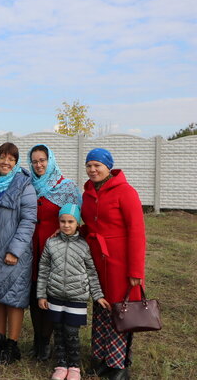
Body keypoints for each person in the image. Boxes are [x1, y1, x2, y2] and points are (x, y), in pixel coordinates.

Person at [81, 148, 146, 380]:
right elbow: (89, 225)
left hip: (120, 263)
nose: (92, 169)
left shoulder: (126, 192)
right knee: (101, 309)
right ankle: (100, 358)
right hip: (97, 261)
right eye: (89, 165)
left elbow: (137, 231)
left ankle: (119, 364)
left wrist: (135, 270)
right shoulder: (87, 193)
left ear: (109, 167)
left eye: (97, 165)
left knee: (121, 312)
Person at [37, 204, 110, 380]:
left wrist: (98, 295)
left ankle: (74, 366)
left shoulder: (84, 245)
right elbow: (44, 269)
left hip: (76, 297)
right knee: (59, 332)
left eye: (71, 221)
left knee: (71, 332)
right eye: (62, 221)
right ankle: (61, 365)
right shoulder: (51, 242)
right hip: (55, 295)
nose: (66, 225)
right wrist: (41, 294)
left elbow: (92, 272)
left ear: (78, 223)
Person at [0, 142, 37, 365]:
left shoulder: (24, 185)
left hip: (15, 252)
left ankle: (12, 346)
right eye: (2, 157)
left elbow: (28, 220)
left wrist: (15, 250)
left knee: (14, 298)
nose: (6, 162)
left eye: (11, 159)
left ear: (16, 162)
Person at [28, 144, 81, 361]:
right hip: (31, 244)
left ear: (51, 161)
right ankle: (37, 340)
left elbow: (77, 211)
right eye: (34, 161)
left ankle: (47, 341)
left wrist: (62, 227)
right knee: (33, 292)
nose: (38, 165)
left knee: (50, 292)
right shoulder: (28, 184)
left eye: (42, 160)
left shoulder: (65, 186)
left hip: (54, 245)